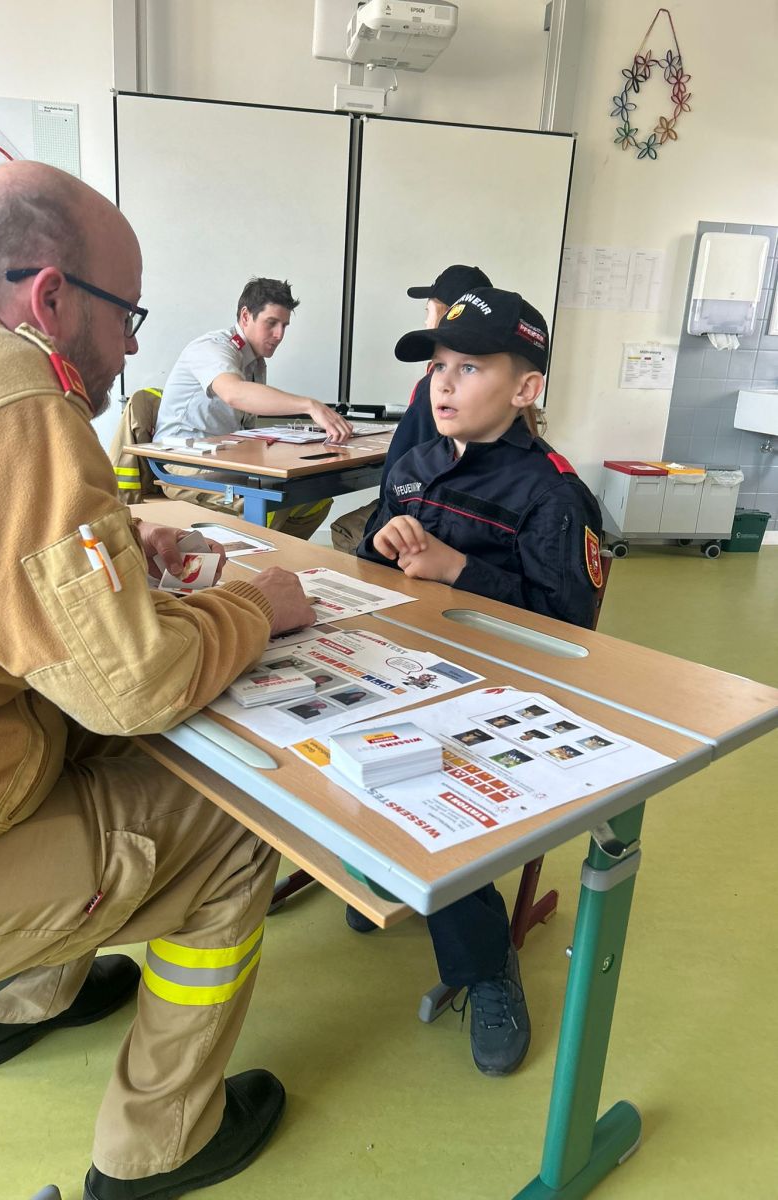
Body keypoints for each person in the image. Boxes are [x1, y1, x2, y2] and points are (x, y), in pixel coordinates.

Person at [0, 160, 319, 1200]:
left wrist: (114, 539)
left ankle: (25, 1003)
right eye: (128, 316)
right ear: (49, 297)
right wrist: (258, 607)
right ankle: (158, 1144)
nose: (131, 348)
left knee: (82, 730)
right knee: (240, 816)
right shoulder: (12, 392)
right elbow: (135, 684)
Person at [357, 286, 604, 1077]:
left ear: (525, 388)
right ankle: (381, 864)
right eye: (438, 367)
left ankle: (487, 965)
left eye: (469, 368)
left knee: (432, 783)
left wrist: (460, 570)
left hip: (498, 698)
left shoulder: (554, 496)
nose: (444, 383)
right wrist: (382, 543)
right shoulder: (414, 467)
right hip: (401, 669)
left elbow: (568, 630)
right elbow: (371, 561)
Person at [153, 277, 353, 539]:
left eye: (284, 326)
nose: (279, 335)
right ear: (246, 316)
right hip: (183, 463)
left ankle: (278, 557)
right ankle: (259, 558)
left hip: (223, 460)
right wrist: (310, 405)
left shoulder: (256, 363)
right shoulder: (212, 348)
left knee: (315, 500)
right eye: (271, 323)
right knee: (271, 503)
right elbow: (234, 393)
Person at [329, 264, 491, 554]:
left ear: (449, 314)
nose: (426, 320)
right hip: (466, 516)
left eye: (428, 311)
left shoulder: (435, 388)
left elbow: (403, 471)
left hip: (425, 517)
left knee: (346, 529)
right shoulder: (493, 389)